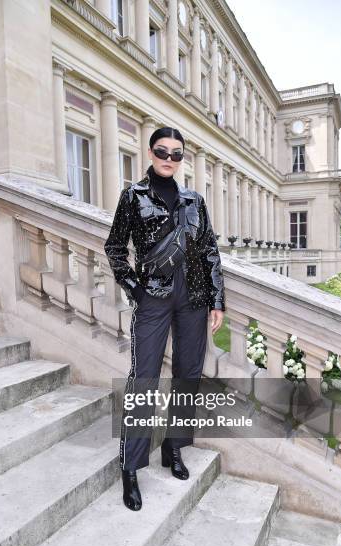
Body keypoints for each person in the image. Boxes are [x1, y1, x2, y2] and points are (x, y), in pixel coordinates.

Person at [104, 126, 225, 511]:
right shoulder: (133, 196)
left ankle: (173, 447)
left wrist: (217, 300)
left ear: (182, 158)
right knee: (144, 377)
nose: (169, 159)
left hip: (193, 298)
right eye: (162, 151)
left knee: (188, 372)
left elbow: (209, 250)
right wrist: (133, 288)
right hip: (152, 298)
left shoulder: (194, 200)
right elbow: (115, 248)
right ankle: (131, 467)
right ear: (151, 152)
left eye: (177, 154)